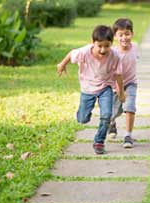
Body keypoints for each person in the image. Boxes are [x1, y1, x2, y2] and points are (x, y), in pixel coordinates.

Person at [57, 25, 126, 155]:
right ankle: (82, 114)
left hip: (105, 87)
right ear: (92, 42)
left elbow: (118, 75)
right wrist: (62, 64)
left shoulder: (115, 56)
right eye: (99, 46)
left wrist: (121, 92)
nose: (103, 49)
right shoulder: (84, 52)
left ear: (111, 43)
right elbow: (71, 53)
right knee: (82, 119)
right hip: (87, 88)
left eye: (107, 46)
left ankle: (99, 141)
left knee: (106, 115)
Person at [108, 18, 138, 148]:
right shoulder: (113, 52)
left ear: (132, 34)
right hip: (115, 87)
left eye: (127, 34)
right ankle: (112, 123)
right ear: (115, 36)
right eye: (120, 35)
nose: (124, 37)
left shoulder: (135, 47)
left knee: (129, 107)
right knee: (113, 112)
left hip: (131, 83)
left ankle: (128, 135)